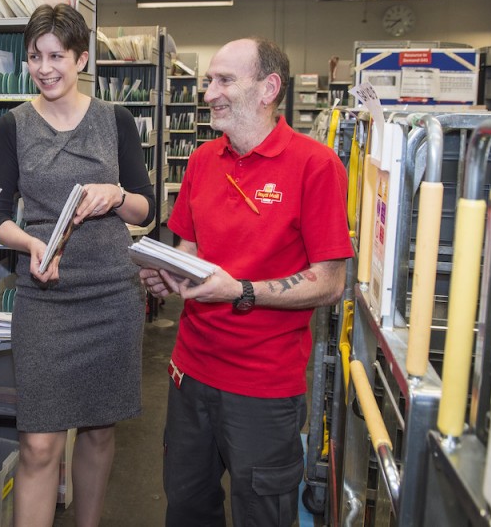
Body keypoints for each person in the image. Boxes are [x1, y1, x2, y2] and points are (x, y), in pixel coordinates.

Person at [139, 37, 352, 527]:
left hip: (263, 388)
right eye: (208, 80)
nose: (209, 92)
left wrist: (240, 290)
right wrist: (165, 273)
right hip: (190, 374)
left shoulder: (315, 166)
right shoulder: (200, 161)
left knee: (262, 514)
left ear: (268, 88)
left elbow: (330, 282)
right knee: (188, 507)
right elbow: (189, 253)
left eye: (224, 80)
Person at [0, 3, 155, 527]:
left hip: (111, 297)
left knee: (101, 431)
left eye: (57, 55)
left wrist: (115, 193)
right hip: (45, 299)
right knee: (38, 442)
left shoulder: (115, 120)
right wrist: (30, 244)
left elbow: (148, 209)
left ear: (81, 58)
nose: (45, 67)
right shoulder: (13, 125)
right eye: (35, 56)